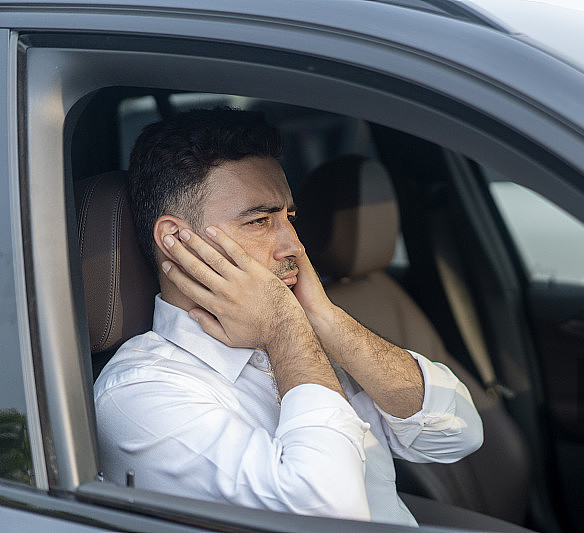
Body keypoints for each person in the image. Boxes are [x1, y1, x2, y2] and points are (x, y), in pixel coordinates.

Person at [93, 108, 483, 526]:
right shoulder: (141, 393)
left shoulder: (310, 338)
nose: (294, 245)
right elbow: (327, 515)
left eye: (289, 217)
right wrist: (285, 327)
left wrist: (324, 317)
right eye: (259, 221)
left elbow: (456, 433)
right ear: (175, 241)